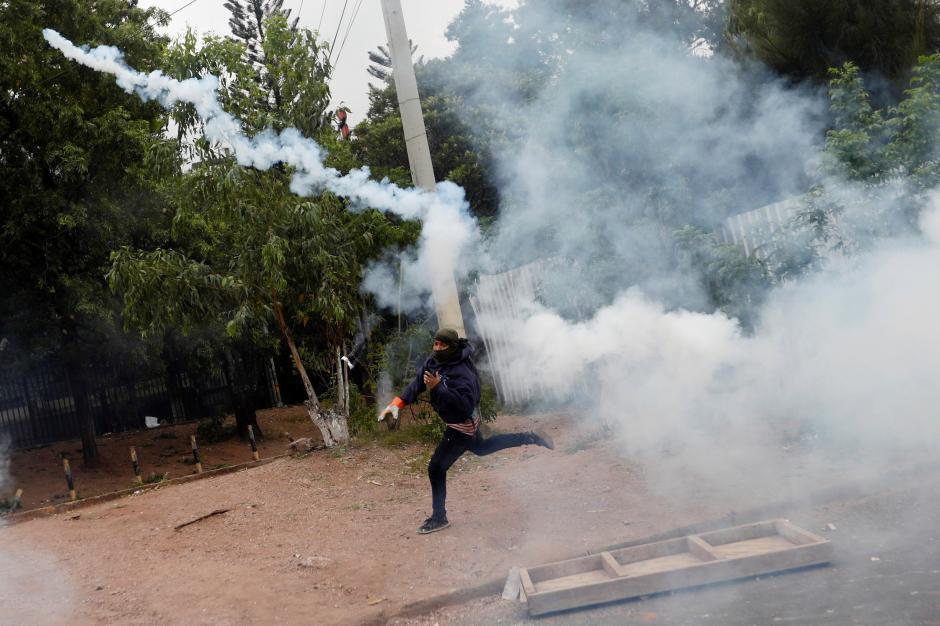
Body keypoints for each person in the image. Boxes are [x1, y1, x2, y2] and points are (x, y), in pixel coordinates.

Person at [379, 327, 554, 534]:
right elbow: (418, 382)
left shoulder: (462, 372)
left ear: (452, 347)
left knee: (436, 468)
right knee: (481, 448)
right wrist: (397, 404)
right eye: (435, 343)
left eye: (442, 345)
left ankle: (439, 518)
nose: (437, 348)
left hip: (461, 424)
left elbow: (463, 405)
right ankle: (531, 437)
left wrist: (438, 388)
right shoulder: (435, 362)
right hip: (462, 421)